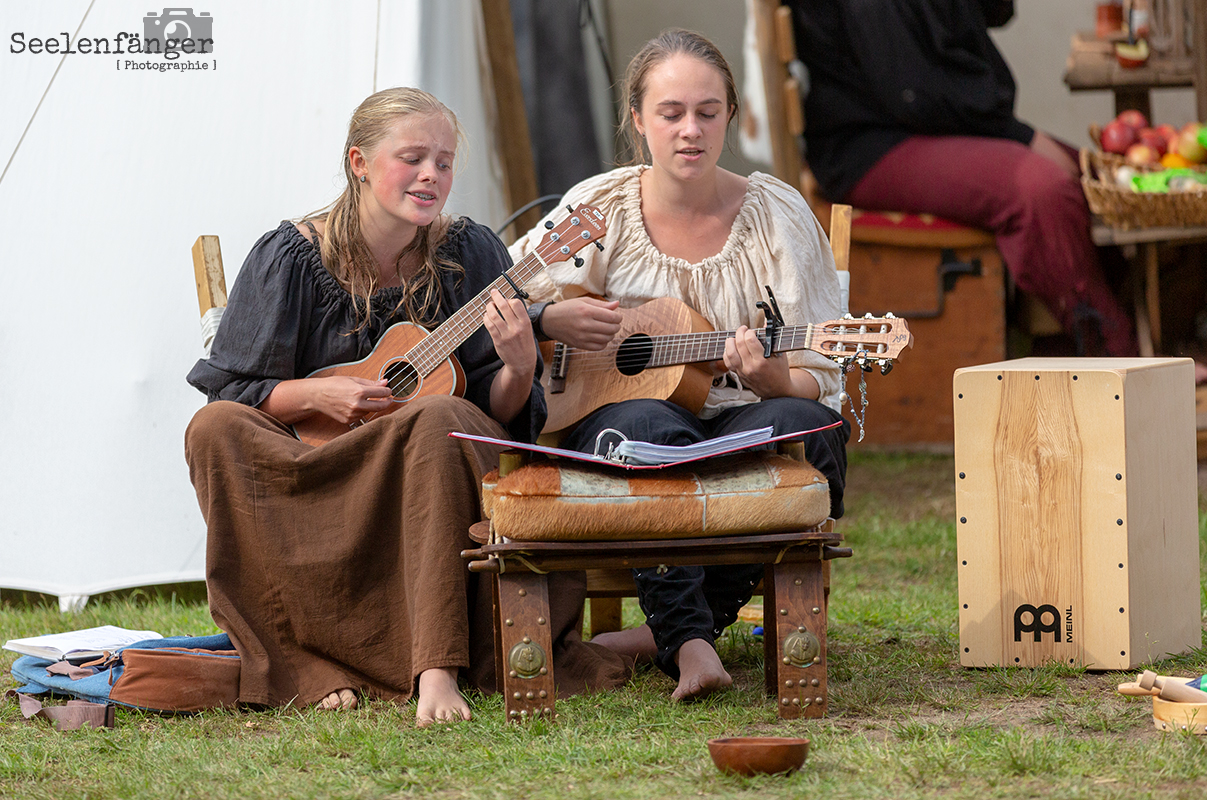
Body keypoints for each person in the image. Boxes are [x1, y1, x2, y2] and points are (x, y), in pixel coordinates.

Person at [184, 87, 627, 725]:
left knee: (436, 416)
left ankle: (436, 669)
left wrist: (520, 365)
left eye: (443, 163)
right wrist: (316, 393)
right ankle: (301, 662)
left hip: (431, 469)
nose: (431, 176)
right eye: (412, 158)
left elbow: (501, 412)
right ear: (359, 162)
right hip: (323, 475)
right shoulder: (289, 257)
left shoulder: (469, 254)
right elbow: (231, 389)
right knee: (214, 428)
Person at [509, 30, 850, 701]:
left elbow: (824, 375)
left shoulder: (777, 216)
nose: (690, 130)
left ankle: (665, 633)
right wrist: (551, 319)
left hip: (737, 428)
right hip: (620, 424)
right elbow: (504, 291)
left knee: (809, 427)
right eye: (671, 113)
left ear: (730, 116)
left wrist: (774, 380)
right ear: (638, 120)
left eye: (707, 112)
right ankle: (691, 644)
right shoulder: (600, 208)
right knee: (649, 429)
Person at [786, 0, 1138, 358]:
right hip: (871, 142)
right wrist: (1020, 136)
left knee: (1098, 180)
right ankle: (1118, 356)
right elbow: (910, 87)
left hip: (922, 116)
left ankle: (1065, 348)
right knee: (1043, 192)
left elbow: (995, 12)